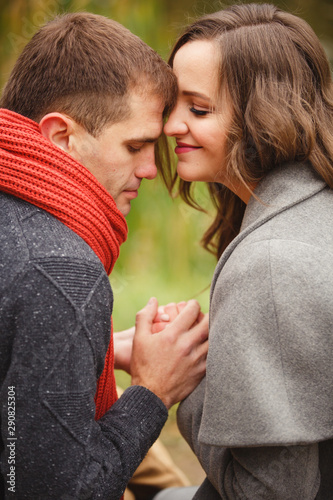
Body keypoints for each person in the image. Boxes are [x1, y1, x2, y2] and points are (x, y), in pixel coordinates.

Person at [0, 12, 209, 500]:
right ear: (60, 138)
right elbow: (52, 491)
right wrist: (153, 391)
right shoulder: (59, 269)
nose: (149, 170)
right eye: (135, 145)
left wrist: (96, 348)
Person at [162, 3, 333, 499]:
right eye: (172, 105)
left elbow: (268, 492)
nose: (171, 126)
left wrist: (188, 378)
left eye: (197, 109)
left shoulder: (272, 263)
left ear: (264, 115)